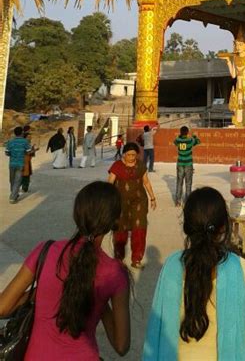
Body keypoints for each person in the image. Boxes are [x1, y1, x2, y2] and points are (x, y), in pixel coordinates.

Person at [0, 181, 130, 359]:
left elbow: (3, 307)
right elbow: (121, 346)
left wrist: (39, 292)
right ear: (115, 220)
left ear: (77, 214)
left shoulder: (45, 251)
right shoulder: (115, 273)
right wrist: (101, 304)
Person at [143, 186, 245, 360]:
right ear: (223, 226)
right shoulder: (239, 268)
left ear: (187, 226)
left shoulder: (172, 266)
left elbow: (157, 327)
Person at [108, 142, 157, 269]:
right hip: (120, 203)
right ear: (124, 154)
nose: (131, 157)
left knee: (139, 229)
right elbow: (109, 184)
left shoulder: (140, 166)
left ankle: (136, 259)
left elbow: (146, 182)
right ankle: (119, 259)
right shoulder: (117, 166)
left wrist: (152, 198)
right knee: (120, 230)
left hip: (139, 201)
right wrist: (106, 199)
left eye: (134, 155)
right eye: (129, 155)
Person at [173, 126, 200, 207]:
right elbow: (198, 141)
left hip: (180, 163)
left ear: (180, 132)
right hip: (188, 164)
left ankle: (178, 201)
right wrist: (194, 136)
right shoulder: (190, 140)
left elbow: (175, 141)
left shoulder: (178, 140)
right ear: (187, 132)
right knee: (188, 183)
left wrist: (180, 136)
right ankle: (187, 201)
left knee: (179, 183)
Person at [5, 126, 31, 203]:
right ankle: (13, 197)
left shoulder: (10, 141)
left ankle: (14, 194)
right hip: (20, 164)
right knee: (17, 181)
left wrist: (12, 154)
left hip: (12, 163)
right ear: (22, 133)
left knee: (12, 180)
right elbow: (28, 151)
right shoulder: (25, 141)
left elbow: (7, 152)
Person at [21, 125, 37, 193]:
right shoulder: (24, 142)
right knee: (25, 174)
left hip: (27, 161)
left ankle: (24, 187)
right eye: (29, 137)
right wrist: (34, 150)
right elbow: (28, 152)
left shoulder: (24, 141)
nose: (30, 138)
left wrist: (33, 148)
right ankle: (24, 187)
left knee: (26, 174)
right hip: (24, 161)